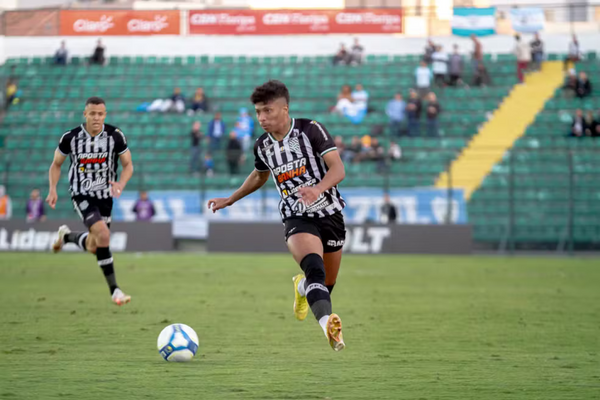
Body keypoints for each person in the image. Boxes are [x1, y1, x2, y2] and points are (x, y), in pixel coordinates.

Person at [208, 80, 346, 352]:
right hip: (296, 217)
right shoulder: (262, 145)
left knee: (325, 286)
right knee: (315, 270)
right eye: (258, 112)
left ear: (285, 109)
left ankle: (302, 288)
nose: (261, 118)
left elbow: (338, 169)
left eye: (267, 111)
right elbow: (260, 174)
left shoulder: (310, 130)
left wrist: (318, 189)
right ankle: (329, 328)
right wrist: (230, 199)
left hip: (330, 214)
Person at [46, 97, 133, 306]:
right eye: (92, 113)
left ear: (105, 115)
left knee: (96, 246)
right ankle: (115, 291)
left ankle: (66, 237)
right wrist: (52, 189)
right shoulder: (71, 137)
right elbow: (56, 164)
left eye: (100, 114)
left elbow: (128, 165)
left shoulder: (115, 136)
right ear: (85, 114)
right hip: (82, 194)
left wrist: (121, 183)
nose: (96, 118)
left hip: (105, 197)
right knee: (104, 235)